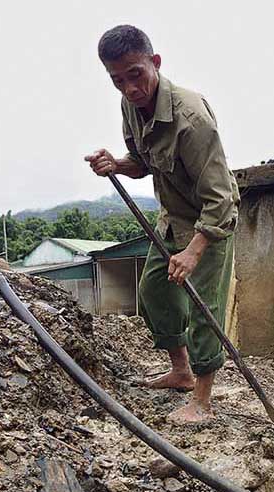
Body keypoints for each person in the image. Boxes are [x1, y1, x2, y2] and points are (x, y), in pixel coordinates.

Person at [85, 25, 239, 424]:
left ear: (155, 63)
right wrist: (115, 165)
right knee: (153, 290)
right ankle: (182, 372)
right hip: (172, 220)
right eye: (118, 80)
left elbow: (221, 197)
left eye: (136, 74)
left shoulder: (192, 118)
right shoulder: (130, 108)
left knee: (206, 308)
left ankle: (203, 400)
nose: (129, 88)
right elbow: (142, 163)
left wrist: (194, 250)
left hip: (210, 224)